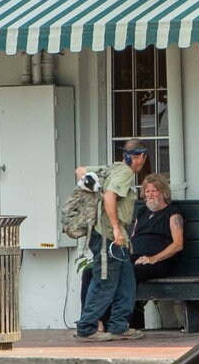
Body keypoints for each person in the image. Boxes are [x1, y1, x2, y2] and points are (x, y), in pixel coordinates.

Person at [76, 140, 151, 340]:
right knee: (105, 281)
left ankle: (119, 326)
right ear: (142, 156)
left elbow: (80, 170)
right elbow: (110, 197)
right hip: (108, 237)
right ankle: (86, 328)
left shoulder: (112, 168)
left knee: (126, 282)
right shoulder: (125, 173)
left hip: (118, 239)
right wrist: (117, 228)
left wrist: (93, 188)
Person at [130, 173, 187, 327]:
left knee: (127, 274)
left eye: (154, 191)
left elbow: (178, 244)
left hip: (160, 262)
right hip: (137, 258)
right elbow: (134, 236)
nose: (150, 195)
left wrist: (153, 258)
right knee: (93, 272)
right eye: (147, 191)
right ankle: (94, 322)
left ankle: (129, 323)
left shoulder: (172, 213)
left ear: (163, 192)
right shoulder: (142, 212)